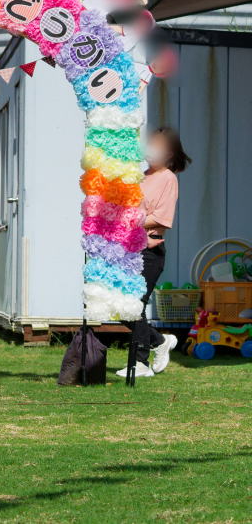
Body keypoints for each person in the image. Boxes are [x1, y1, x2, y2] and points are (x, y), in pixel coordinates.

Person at [117, 127, 191, 378]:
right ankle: (160, 341)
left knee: (134, 306)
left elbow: (161, 218)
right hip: (128, 250)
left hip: (150, 252)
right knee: (119, 306)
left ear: (169, 153)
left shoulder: (168, 177)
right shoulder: (140, 175)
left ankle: (140, 363)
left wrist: (131, 219)